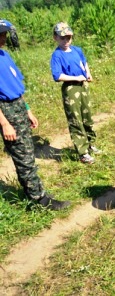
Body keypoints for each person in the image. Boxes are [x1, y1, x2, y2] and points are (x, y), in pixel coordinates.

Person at [0, 19, 70, 211]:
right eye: (1, 34)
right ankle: (39, 200)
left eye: (5, 33)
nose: (4, 37)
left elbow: (16, 87)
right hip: (6, 110)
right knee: (23, 157)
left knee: (28, 153)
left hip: (18, 107)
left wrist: (28, 110)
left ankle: (35, 193)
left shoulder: (4, 55)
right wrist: (4, 123)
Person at [50, 22, 101, 164]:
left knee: (87, 117)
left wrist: (88, 73)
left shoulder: (77, 50)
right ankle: (82, 152)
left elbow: (84, 62)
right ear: (55, 38)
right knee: (75, 120)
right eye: (62, 38)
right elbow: (57, 76)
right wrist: (75, 77)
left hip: (83, 86)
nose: (66, 41)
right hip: (70, 89)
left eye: (68, 38)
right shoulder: (57, 55)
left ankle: (90, 144)